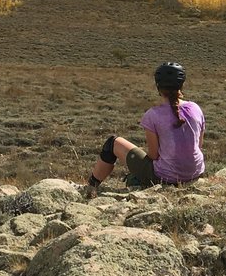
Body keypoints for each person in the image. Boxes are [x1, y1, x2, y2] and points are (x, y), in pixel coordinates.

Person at [86, 62, 205, 193]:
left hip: (165, 177)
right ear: (181, 84)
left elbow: (153, 156)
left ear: (158, 86)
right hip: (195, 173)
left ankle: (91, 186)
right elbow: (198, 146)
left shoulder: (153, 115)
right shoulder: (196, 108)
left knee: (112, 143)